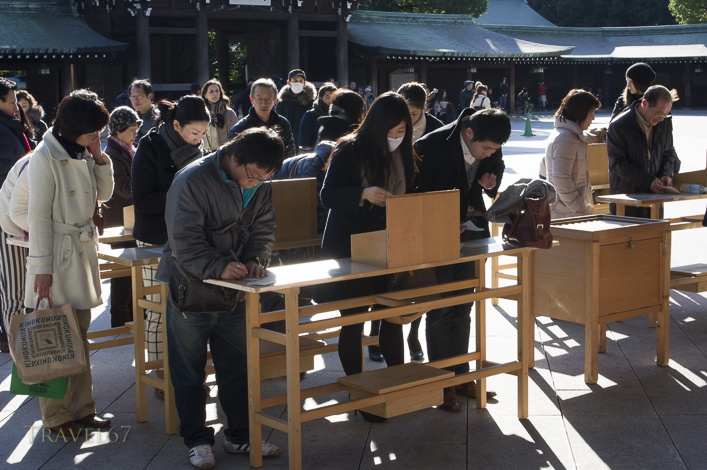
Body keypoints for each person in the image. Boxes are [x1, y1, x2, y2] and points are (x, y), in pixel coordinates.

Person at [154, 127, 284, 469]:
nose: (255, 183)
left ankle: (240, 436)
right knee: (189, 370)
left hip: (236, 291)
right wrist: (217, 266)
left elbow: (264, 228)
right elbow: (183, 238)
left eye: (264, 178)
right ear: (234, 156)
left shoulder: (261, 184)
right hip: (190, 288)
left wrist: (256, 259)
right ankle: (197, 440)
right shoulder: (192, 179)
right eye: (252, 175)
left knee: (238, 367)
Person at [314, 92, 417, 422]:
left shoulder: (405, 152)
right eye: (392, 131)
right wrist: (363, 193)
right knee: (353, 318)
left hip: (388, 243)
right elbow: (327, 194)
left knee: (391, 312)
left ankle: (395, 385)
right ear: (376, 125)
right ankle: (358, 391)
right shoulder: (349, 147)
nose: (397, 137)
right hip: (350, 245)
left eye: (403, 131)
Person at [25, 89, 114, 435]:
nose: (98, 137)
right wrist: (41, 268)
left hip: (79, 250)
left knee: (80, 335)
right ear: (72, 126)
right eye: (93, 131)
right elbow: (38, 217)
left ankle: (83, 408)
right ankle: (56, 415)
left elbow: (104, 195)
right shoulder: (45, 156)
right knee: (55, 339)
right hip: (58, 255)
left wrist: (100, 157)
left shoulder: (82, 152)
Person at [414, 108, 511, 411]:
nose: (488, 154)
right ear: (468, 133)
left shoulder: (490, 139)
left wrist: (490, 180)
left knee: (464, 305)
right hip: (437, 236)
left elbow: (495, 177)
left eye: (493, 150)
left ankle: (461, 375)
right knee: (441, 308)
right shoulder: (430, 146)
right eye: (485, 149)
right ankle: (441, 381)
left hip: (472, 232)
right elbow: (416, 196)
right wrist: (443, 222)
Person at [132, 95, 210, 398]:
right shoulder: (149, 147)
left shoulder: (200, 149)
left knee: (189, 307)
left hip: (190, 237)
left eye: (203, 134)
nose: (199, 140)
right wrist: (183, 196)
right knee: (158, 307)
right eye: (194, 133)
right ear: (175, 124)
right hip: (155, 236)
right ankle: (161, 371)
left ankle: (190, 373)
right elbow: (141, 199)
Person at [393, 82, 444, 361]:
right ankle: (381, 332)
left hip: (423, 207)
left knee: (419, 276)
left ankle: (413, 332)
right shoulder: (390, 125)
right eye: (405, 112)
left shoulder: (437, 127)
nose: (409, 118)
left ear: (423, 108)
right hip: (394, 205)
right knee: (388, 276)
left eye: (414, 113)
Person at [607, 85, 678, 218]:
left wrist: (666, 174)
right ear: (644, 103)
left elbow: (669, 152)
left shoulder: (664, 122)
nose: (662, 118)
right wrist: (647, 181)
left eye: (666, 114)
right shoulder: (619, 125)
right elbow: (618, 164)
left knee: (655, 237)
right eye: (659, 113)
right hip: (627, 198)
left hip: (654, 199)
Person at [103, 106, 142, 327]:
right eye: (132, 129)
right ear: (118, 131)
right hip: (118, 219)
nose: (135, 133)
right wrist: (146, 182)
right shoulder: (112, 153)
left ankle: (131, 313)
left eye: (137, 128)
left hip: (130, 217)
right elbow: (123, 188)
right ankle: (119, 317)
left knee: (131, 269)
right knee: (122, 271)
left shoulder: (128, 149)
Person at [0, 77, 30, 353]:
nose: (16, 108)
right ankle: (20, 355)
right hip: (7, 219)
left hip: (13, 216)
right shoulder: (2, 130)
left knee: (15, 291)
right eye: (11, 102)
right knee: (14, 292)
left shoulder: (10, 127)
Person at [543, 89, 603, 219]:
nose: (593, 118)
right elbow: (560, 179)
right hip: (567, 213)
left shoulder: (567, 135)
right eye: (591, 113)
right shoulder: (566, 138)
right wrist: (579, 207)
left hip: (565, 210)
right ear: (580, 113)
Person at [229, 78, 296, 159]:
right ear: (251, 100)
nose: (264, 103)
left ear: (275, 101)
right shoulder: (239, 129)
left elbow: (290, 156)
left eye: (268, 99)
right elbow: (235, 162)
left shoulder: (283, 124)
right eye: (259, 98)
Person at [275, 69, 316, 149]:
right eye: (295, 80)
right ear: (288, 82)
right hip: (286, 144)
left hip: (304, 145)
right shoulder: (282, 102)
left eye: (301, 81)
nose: (298, 83)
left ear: (304, 83)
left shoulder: (310, 102)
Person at [200, 78, 238, 152]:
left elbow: (236, 137)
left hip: (222, 155)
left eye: (217, 91)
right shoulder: (199, 113)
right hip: (202, 156)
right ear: (205, 95)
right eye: (211, 91)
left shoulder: (229, 113)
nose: (215, 93)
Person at [298, 82, 336, 150]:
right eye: (327, 97)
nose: (331, 100)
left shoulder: (338, 116)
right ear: (320, 98)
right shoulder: (311, 115)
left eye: (334, 97)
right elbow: (304, 144)